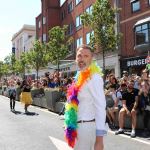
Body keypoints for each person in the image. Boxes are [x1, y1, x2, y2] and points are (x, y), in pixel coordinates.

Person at [64, 44, 107, 150]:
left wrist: (99, 139)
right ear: (75, 59)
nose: (81, 59)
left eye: (86, 56)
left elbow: (100, 107)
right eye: (79, 56)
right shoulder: (79, 76)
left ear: (92, 59)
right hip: (77, 126)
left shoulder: (94, 77)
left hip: (86, 127)